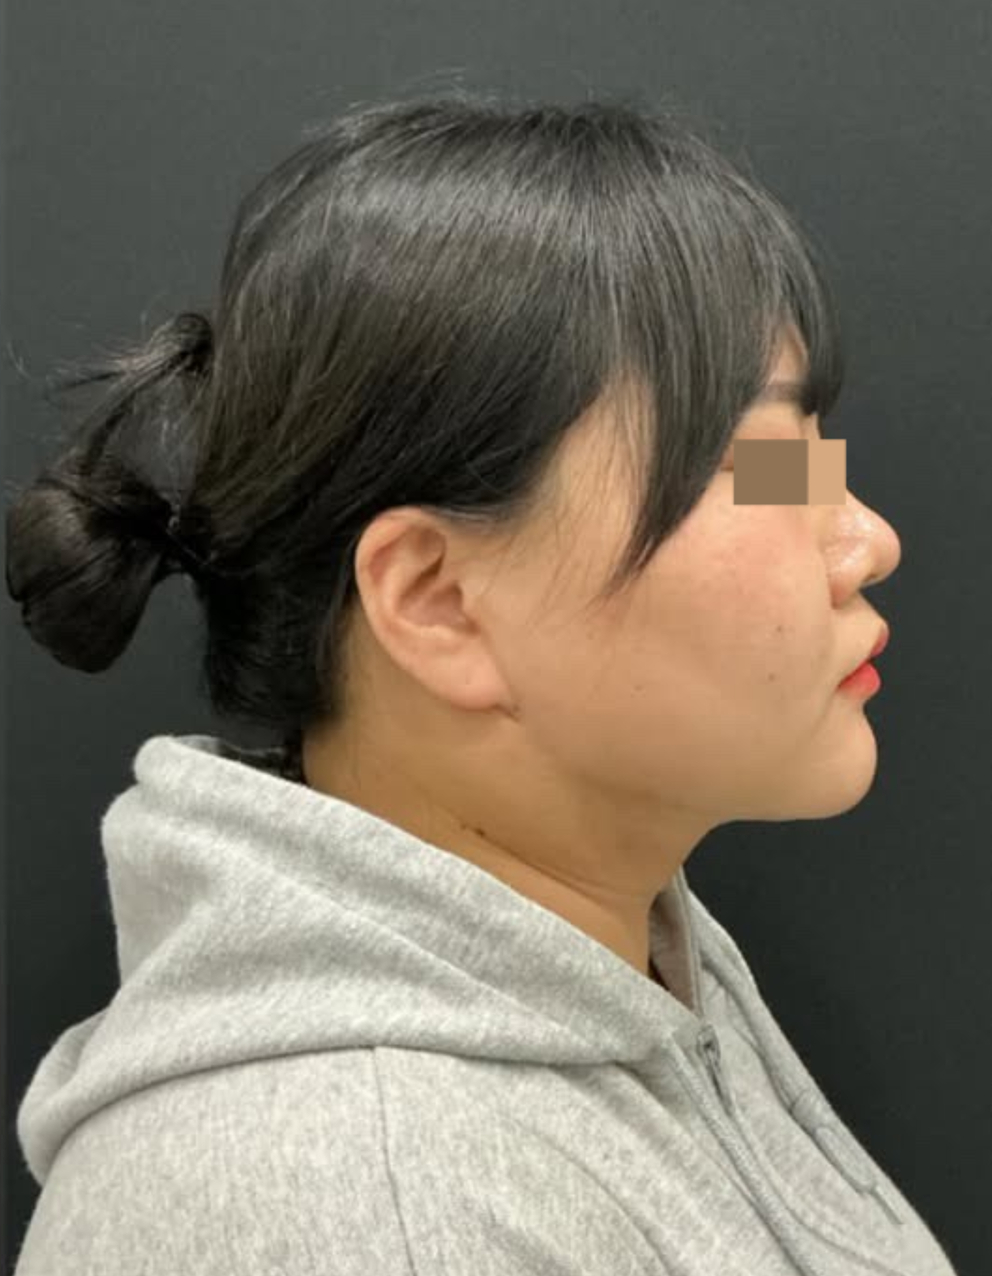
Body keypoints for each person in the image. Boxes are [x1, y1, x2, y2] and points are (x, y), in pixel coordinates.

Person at [6, 90, 959, 1276]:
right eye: (756, 461)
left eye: (807, 459)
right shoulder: (354, 1215)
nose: (865, 539)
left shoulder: (632, 967)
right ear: (439, 601)